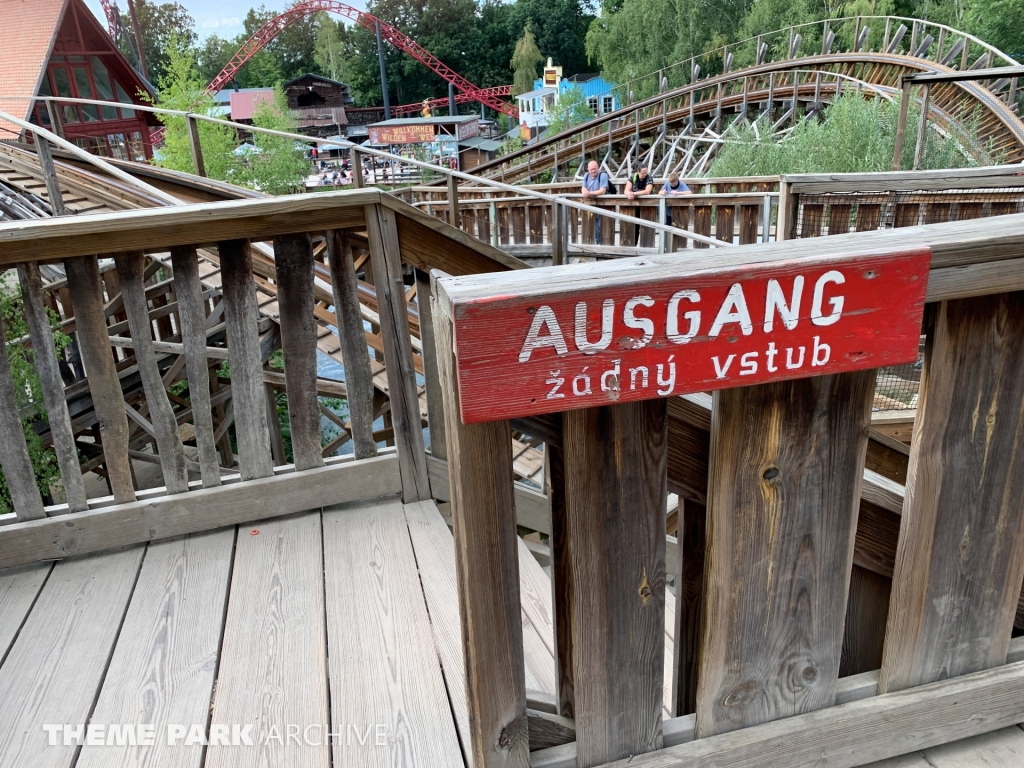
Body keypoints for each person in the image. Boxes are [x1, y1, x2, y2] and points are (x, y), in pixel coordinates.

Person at [581, 161, 610, 244]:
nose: (593, 171)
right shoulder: (586, 176)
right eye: (591, 169)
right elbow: (583, 188)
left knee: (600, 224)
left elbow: (602, 191)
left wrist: (589, 193)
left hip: (602, 203)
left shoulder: (603, 175)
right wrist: (585, 192)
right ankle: (590, 242)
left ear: (598, 168)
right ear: (588, 170)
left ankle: (600, 242)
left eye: (595, 169)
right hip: (590, 203)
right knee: (589, 223)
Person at [626, 165, 654, 245]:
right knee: (634, 225)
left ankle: (647, 245)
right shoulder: (633, 177)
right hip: (634, 206)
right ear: (638, 172)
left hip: (647, 206)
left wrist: (634, 193)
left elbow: (647, 191)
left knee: (646, 226)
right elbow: (626, 190)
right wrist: (629, 194)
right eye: (643, 173)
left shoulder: (649, 178)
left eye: (646, 172)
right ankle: (633, 244)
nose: (645, 174)